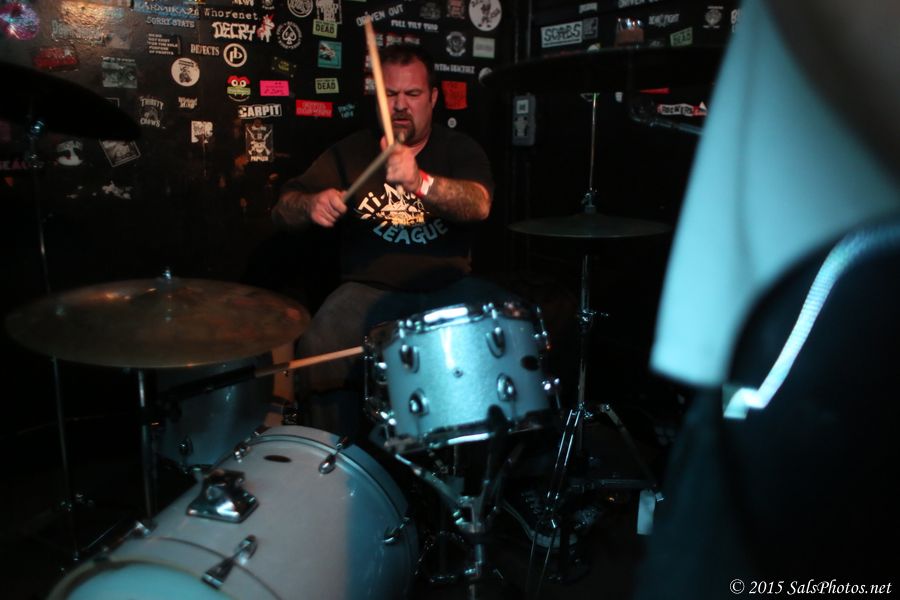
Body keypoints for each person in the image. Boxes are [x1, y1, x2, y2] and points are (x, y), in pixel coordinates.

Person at [272, 43, 513, 438]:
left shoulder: (459, 148)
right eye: (390, 94)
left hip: (447, 285)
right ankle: (336, 458)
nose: (401, 105)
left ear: (432, 98)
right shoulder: (352, 151)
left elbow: (478, 204)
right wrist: (309, 204)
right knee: (319, 344)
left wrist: (420, 181)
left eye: (413, 94)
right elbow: (283, 209)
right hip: (368, 289)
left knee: (509, 327)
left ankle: (491, 462)